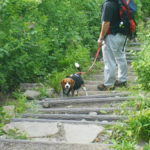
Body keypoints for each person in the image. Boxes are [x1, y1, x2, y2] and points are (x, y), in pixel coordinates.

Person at [97, 0, 128, 91]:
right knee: (120, 57)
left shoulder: (108, 5)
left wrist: (101, 38)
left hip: (112, 36)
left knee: (109, 60)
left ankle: (108, 84)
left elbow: (106, 23)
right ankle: (122, 80)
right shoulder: (119, 2)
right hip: (122, 35)